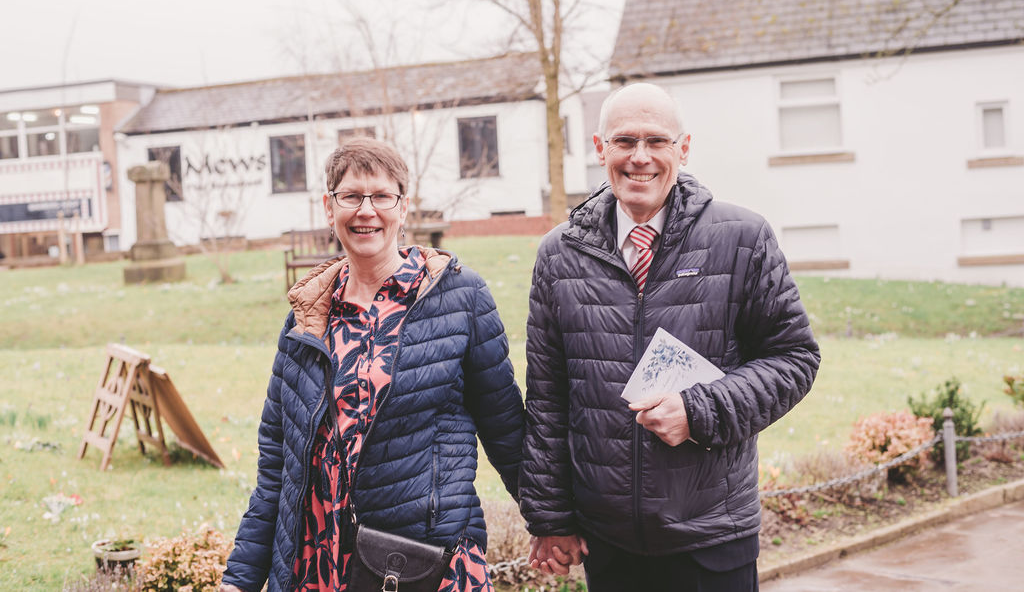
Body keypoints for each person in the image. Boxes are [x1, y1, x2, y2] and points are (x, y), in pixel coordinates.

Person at [519, 83, 820, 591]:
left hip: (711, 532)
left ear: (683, 148)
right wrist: (551, 519)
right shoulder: (559, 255)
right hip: (609, 541)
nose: (640, 158)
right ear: (600, 149)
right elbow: (549, 397)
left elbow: (794, 358)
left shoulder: (742, 238)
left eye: (657, 141)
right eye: (624, 142)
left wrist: (700, 411)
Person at [221, 137, 525, 592]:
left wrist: (552, 520)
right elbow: (277, 469)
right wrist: (240, 579)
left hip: (423, 563)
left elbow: (506, 429)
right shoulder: (307, 318)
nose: (367, 210)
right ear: (329, 208)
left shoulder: (460, 298)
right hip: (317, 566)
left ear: (403, 208)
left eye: (382, 196)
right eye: (351, 196)